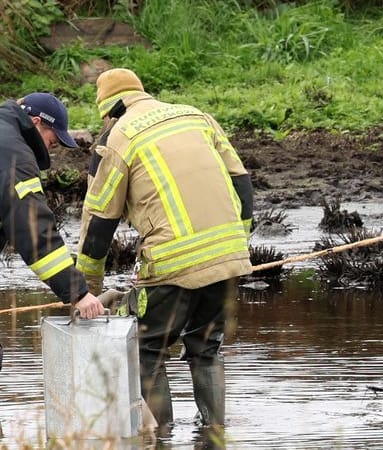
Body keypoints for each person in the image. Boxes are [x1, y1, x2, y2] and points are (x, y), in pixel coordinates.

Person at [74, 68, 254, 430]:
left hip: (171, 262)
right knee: (206, 348)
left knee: (148, 351)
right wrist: (236, 247)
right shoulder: (196, 116)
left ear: (108, 113)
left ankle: (164, 436)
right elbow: (243, 186)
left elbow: (98, 228)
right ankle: (214, 433)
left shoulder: (117, 138)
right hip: (229, 257)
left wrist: (89, 292)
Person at [0, 92, 105, 319]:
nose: (49, 150)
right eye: (52, 141)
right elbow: (32, 229)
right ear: (36, 122)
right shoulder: (15, 157)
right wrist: (78, 292)